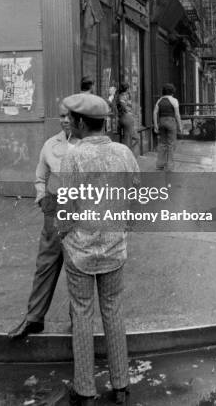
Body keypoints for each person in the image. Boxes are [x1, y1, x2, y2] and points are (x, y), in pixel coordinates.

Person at [58, 93, 139, 406]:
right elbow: (136, 192)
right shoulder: (123, 153)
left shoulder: (74, 156)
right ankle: (120, 384)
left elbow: (64, 206)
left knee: (81, 314)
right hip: (114, 249)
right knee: (114, 311)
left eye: (72, 119)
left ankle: (85, 389)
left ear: (80, 122)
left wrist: (65, 238)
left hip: (80, 251)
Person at [8, 102, 77, 339]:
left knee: (76, 267)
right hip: (55, 209)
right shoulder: (50, 144)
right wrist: (42, 198)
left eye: (70, 116)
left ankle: (77, 322)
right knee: (46, 263)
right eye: (62, 116)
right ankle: (34, 319)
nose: (65, 120)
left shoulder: (88, 146)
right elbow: (40, 175)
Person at [153, 83, 182, 172]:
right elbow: (177, 114)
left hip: (161, 122)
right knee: (171, 144)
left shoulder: (159, 100)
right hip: (171, 122)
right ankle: (170, 166)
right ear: (172, 92)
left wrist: (155, 125)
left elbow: (154, 113)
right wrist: (180, 125)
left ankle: (160, 164)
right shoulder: (174, 100)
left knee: (162, 144)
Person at [116, 82, 137, 153]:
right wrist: (129, 112)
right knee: (128, 140)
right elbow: (124, 107)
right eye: (128, 88)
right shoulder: (122, 96)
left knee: (133, 138)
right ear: (127, 89)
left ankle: (128, 152)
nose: (129, 90)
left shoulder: (124, 96)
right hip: (126, 118)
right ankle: (127, 154)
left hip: (125, 117)